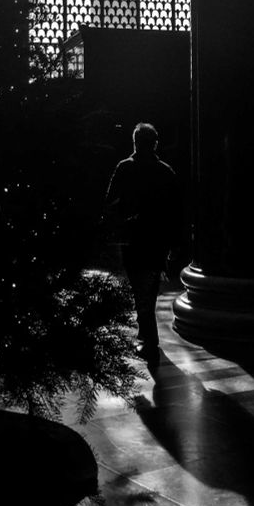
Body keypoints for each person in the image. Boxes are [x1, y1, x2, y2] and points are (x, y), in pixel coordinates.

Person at [103, 122, 181, 362]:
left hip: (133, 238)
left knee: (140, 290)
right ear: (155, 143)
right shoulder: (166, 171)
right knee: (149, 290)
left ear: (135, 142)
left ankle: (148, 337)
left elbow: (110, 201)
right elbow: (175, 211)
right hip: (157, 240)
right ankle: (148, 336)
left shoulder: (125, 168)